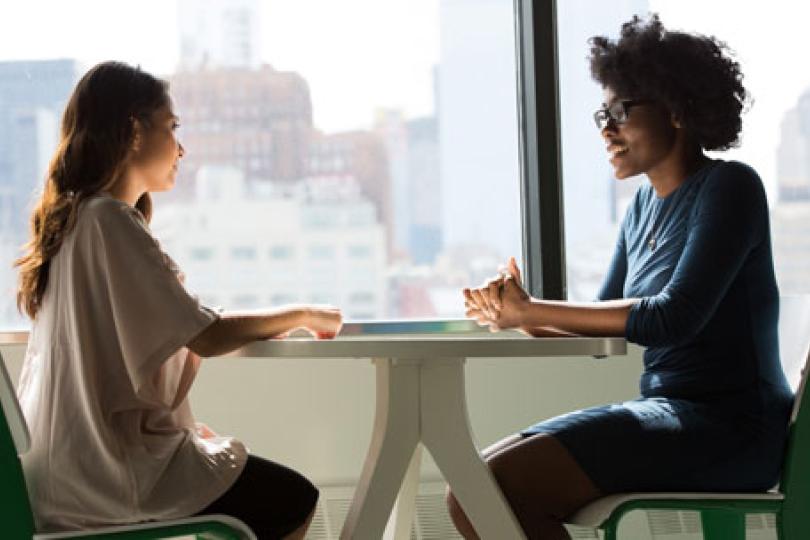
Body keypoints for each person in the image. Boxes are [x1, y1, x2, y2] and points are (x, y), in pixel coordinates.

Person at [450, 15, 794, 540]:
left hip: (732, 430)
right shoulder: (639, 210)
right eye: (602, 115)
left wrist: (532, 309)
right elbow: (606, 330)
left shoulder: (730, 187)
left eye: (621, 112)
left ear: (676, 109)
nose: (607, 130)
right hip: (668, 413)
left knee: (494, 488)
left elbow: (673, 318)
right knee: (468, 492)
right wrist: (512, 314)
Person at [14, 61, 342, 539]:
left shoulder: (72, 224)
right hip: (107, 475)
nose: (181, 148)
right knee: (292, 499)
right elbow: (205, 335)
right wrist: (304, 313)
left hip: (63, 471)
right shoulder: (108, 221)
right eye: (171, 127)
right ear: (133, 131)